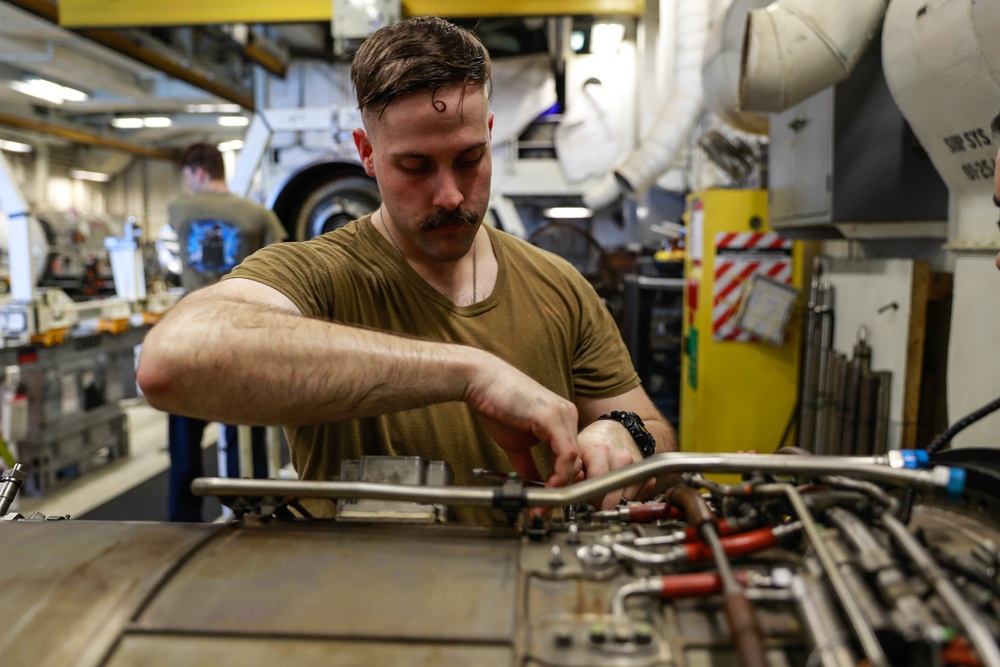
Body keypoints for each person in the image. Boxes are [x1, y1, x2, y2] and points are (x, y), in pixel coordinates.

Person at [137, 16, 677, 526]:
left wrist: (623, 434)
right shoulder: (320, 273)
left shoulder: (558, 287)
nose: (450, 195)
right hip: (366, 608)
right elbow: (170, 361)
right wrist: (471, 373)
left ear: (489, 133)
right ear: (367, 153)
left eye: (470, 159)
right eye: (415, 166)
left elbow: (656, 432)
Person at [164, 142, 288, 521]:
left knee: (184, 439)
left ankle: (182, 522)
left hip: (190, 332)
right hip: (242, 333)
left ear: (198, 172)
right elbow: (282, 260)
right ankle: (245, 515)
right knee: (243, 434)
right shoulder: (258, 214)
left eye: (188, 178)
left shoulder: (178, 209)